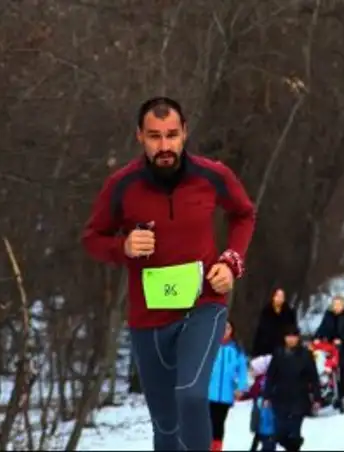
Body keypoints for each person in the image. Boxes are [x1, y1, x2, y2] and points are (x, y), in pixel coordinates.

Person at [81, 97, 256, 450]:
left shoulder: (212, 176)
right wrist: (124, 247)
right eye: (155, 136)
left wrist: (231, 260)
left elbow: (244, 214)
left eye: (172, 135)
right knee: (165, 425)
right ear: (140, 137)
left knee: (191, 395)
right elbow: (91, 238)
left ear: (185, 133)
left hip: (204, 304)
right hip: (149, 317)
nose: (164, 146)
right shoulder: (122, 185)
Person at [262, 324, 322, 452]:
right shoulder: (278, 353)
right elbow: (270, 376)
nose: (290, 339)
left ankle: (294, 444)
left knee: (294, 434)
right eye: (288, 336)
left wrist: (317, 398)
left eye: (293, 336)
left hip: (299, 399)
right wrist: (266, 396)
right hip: (280, 398)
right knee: (279, 433)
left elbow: (314, 378)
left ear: (298, 338)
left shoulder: (306, 355)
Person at [208, 320, 249, 451]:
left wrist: (241, 388)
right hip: (208, 393)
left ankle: (216, 448)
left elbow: (242, 371)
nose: (224, 330)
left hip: (226, 395)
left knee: (219, 424)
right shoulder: (210, 346)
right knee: (206, 424)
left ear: (232, 331)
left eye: (227, 328)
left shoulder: (236, 350)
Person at [313, 295, 344, 413]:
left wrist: (341, 339)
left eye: (339, 304)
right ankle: (331, 395)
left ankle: (342, 398)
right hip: (330, 350)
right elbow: (322, 328)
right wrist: (317, 337)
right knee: (329, 373)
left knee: (343, 375)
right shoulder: (328, 316)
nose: (337, 306)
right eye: (335, 304)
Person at [251, 288, 297, 357]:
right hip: (267, 348)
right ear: (273, 297)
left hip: (283, 349)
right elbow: (260, 332)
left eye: (281, 296)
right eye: (277, 296)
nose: (279, 299)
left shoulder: (289, 313)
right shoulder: (266, 311)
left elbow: (293, 331)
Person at [243, 355, 274, 451]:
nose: (251, 372)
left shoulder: (262, 381)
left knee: (264, 435)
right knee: (260, 434)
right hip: (261, 414)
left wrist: (243, 395)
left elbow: (253, 392)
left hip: (264, 415)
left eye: (253, 369)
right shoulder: (260, 380)